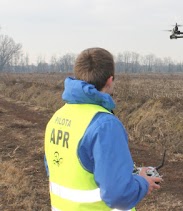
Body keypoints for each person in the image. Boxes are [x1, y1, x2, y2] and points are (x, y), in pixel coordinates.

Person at [44, 47, 162, 211]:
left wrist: (131, 173)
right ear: (110, 80)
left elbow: (64, 169)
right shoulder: (105, 124)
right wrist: (142, 182)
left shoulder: (58, 117)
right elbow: (119, 196)